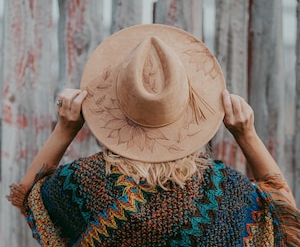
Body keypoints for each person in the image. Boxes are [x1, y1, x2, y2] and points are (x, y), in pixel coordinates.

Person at [8, 24, 299, 246]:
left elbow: (30, 201)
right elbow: (286, 222)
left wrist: (64, 129)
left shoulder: (85, 184)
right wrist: (247, 135)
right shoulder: (225, 194)